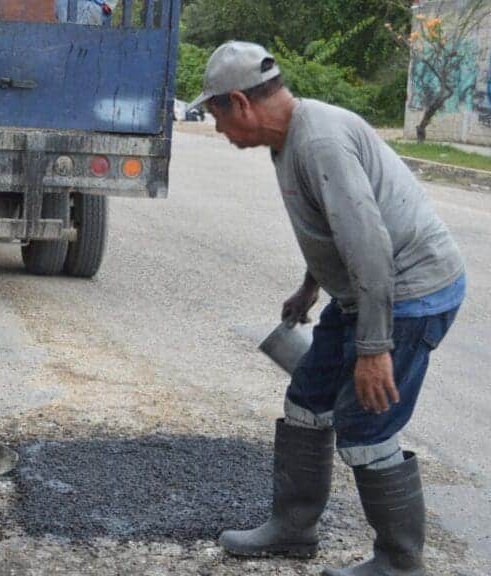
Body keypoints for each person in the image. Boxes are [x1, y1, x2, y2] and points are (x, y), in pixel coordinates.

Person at [190, 41, 466, 575]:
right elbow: (334, 231)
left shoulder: (319, 142)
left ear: (240, 103)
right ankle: (294, 528)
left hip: (409, 293)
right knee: (308, 397)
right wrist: (311, 286)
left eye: (216, 114)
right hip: (365, 289)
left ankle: (399, 562)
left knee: (368, 426)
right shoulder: (288, 137)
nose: (219, 130)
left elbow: (369, 245)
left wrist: (374, 347)